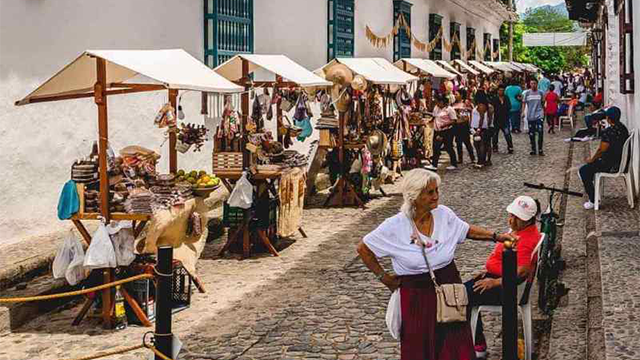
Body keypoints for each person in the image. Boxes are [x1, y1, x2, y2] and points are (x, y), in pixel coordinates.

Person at [356, 169, 518, 360]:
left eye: (436, 190)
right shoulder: (395, 225)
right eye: (430, 192)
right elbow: (363, 249)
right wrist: (384, 278)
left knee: (454, 346)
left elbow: (465, 230)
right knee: (420, 348)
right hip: (417, 296)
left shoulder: (443, 214)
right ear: (414, 196)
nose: (436, 196)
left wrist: (496, 237)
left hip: (449, 289)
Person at [465, 196, 542, 359]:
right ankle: (475, 342)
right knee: (460, 292)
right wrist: (488, 272)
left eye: (517, 217)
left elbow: (522, 272)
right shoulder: (520, 231)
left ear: (529, 220)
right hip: (498, 278)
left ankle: (477, 345)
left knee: (461, 297)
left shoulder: (526, 239)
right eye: (511, 215)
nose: (512, 220)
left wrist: (494, 282)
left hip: (507, 289)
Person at [579, 106, 630, 209]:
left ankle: (593, 200)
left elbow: (601, 150)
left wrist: (592, 159)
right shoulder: (623, 128)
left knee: (583, 171)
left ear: (608, 118)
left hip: (610, 165)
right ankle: (594, 189)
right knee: (590, 169)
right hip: (621, 163)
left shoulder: (608, 132)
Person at [427, 95, 459, 171]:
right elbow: (434, 116)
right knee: (436, 147)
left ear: (443, 102)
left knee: (448, 147)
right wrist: (430, 121)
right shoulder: (436, 108)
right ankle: (434, 164)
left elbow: (454, 120)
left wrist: (445, 124)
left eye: (438, 102)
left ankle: (454, 164)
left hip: (446, 131)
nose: (437, 103)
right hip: (437, 130)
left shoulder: (450, 109)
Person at [522, 80, 545, 156]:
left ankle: (540, 149)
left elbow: (543, 102)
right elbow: (524, 103)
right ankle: (533, 149)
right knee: (531, 134)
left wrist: (542, 111)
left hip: (539, 115)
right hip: (530, 116)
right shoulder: (527, 93)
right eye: (532, 83)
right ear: (530, 84)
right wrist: (523, 112)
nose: (533, 85)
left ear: (537, 84)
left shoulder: (541, 93)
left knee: (540, 132)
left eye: (535, 83)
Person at [453, 89, 476, 164]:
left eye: (456, 94)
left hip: (464, 125)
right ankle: (460, 159)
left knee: (467, 142)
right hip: (457, 125)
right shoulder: (454, 103)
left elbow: (471, 110)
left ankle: (472, 158)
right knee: (458, 143)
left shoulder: (466, 102)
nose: (455, 95)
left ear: (461, 95)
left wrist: (471, 122)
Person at [492, 84, 514, 153]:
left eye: (502, 90)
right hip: (496, 119)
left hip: (505, 119)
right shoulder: (495, 99)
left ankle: (510, 147)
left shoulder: (506, 98)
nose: (501, 92)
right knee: (495, 134)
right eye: (500, 90)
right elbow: (493, 108)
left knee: (507, 134)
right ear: (498, 91)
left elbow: (509, 106)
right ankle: (495, 147)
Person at [471, 99, 492, 168]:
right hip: (478, 127)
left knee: (480, 144)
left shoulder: (482, 106)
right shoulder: (486, 107)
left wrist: (479, 129)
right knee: (481, 144)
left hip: (480, 128)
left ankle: (481, 161)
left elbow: (482, 118)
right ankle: (482, 160)